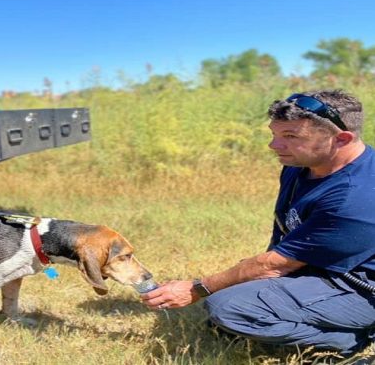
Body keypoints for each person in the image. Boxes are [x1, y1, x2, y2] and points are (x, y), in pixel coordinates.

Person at [142, 89, 375, 356]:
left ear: (342, 139)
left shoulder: (356, 196)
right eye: (274, 134)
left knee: (230, 309)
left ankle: (345, 344)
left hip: (360, 288)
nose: (274, 145)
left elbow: (277, 264)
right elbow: (284, 233)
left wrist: (197, 289)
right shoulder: (301, 165)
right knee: (231, 305)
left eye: (290, 136)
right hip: (324, 269)